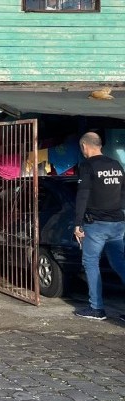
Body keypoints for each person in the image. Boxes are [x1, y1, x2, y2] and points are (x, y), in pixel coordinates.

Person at [72, 131, 125, 320]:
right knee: (120, 263)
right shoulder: (116, 165)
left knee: (90, 263)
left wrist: (77, 224)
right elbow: (122, 194)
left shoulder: (87, 165)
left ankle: (96, 308)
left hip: (96, 225)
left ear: (84, 146)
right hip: (117, 223)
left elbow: (83, 195)